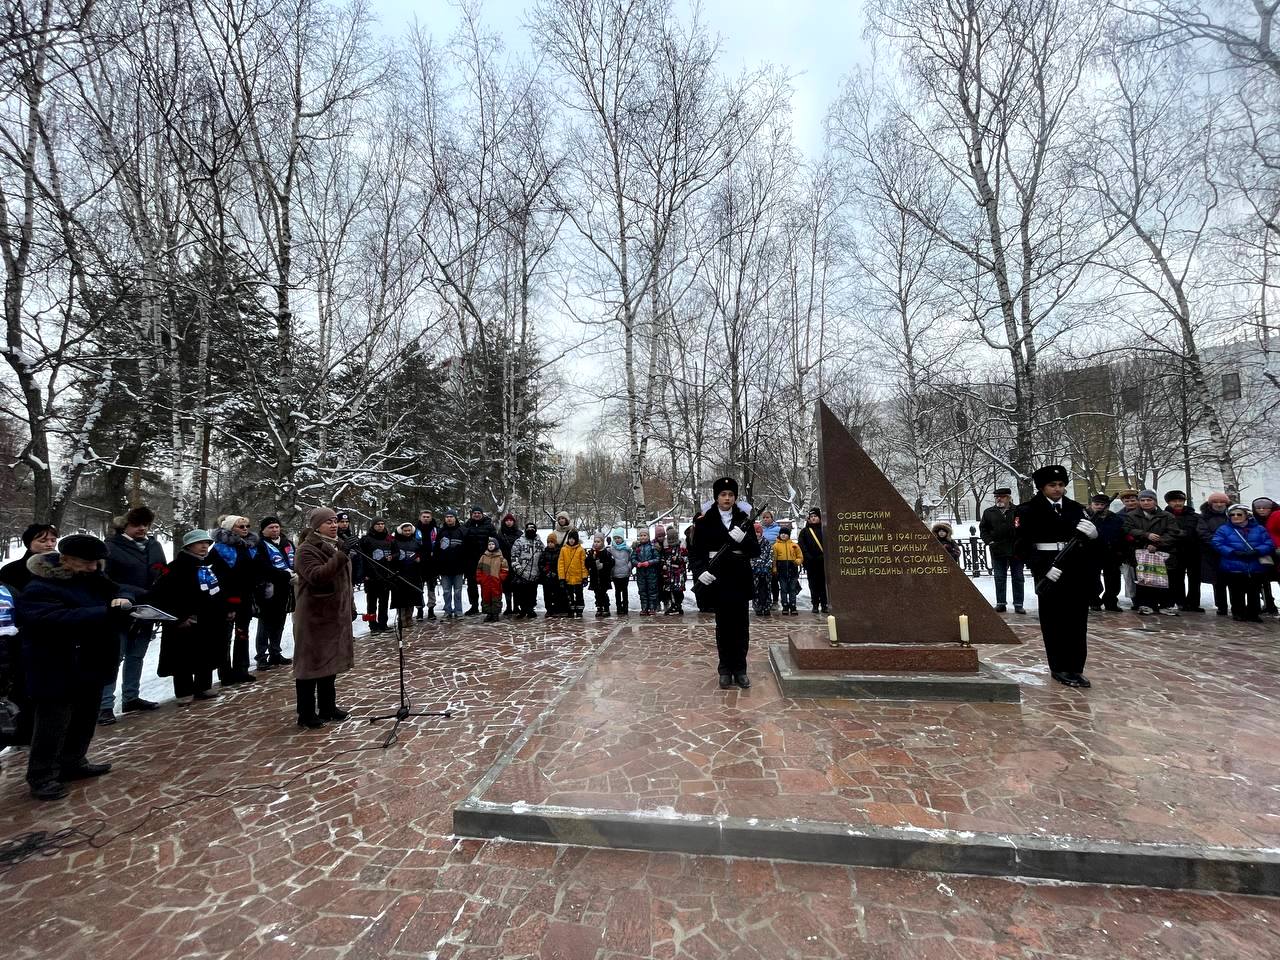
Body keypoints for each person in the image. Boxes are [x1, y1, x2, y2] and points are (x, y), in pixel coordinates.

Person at [16, 535, 133, 800]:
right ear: (65, 559)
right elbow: (49, 619)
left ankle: (74, 762)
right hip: (55, 664)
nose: (93, 567)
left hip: (90, 662)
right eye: (86, 563)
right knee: (53, 722)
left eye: (96, 562)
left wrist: (123, 599)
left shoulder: (94, 578)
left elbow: (121, 589)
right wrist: (104, 612)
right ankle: (41, 775)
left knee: (85, 716)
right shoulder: (41, 586)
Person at [1014, 465, 1099, 688]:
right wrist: (1041, 568)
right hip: (1049, 571)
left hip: (1075, 570)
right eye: (1052, 485)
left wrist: (1094, 536)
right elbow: (1022, 546)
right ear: (1042, 487)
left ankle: (1076, 668)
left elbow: (1088, 544)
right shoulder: (1028, 510)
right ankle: (1059, 667)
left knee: (1078, 622)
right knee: (1054, 622)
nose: (1058, 489)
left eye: (1061, 485)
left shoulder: (1075, 508)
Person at [100, 505, 168, 722]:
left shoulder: (154, 545)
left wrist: (161, 589)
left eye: (145, 525)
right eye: (137, 524)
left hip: (148, 608)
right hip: (120, 608)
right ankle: (104, 705)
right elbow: (104, 577)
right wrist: (133, 592)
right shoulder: (110, 546)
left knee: (136, 655)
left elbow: (162, 570)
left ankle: (131, 697)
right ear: (125, 525)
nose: (142, 529)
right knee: (113, 657)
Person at [694, 477, 761, 688]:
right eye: (723, 494)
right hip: (718, 579)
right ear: (716, 497)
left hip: (739, 578)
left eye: (731, 494)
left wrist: (744, 539)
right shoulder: (704, 521)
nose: (727, 498)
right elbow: (696, 552)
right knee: (723, 627)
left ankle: (740, 669)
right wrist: (700, 571)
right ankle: (724, 669)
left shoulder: (744, 519)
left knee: (741, 627)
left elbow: (755, 552)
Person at [292, 508, 354, 729]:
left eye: (335, 521)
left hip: (334, 615)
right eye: (328, 522)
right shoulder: (306, 549)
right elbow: (317, 576)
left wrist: (351, 606)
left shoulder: (336, 545)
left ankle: (327, 707)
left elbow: (345, 580)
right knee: (310, 665)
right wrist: (340, 555)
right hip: (314, 616)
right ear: (316, 526)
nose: (334, 525)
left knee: (330, 662)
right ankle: (306, 713)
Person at [150, 530, 227, 701]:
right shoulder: (176, 567)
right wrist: (181, 616)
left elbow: (217, 591)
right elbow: (164, 595)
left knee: (206, 652)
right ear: (189, 546)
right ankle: (184, 691)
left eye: (207, 543)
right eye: (199, 543)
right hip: (185, 620)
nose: (204, 546)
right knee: (183, 657)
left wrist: (223, 608)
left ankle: (204, 686)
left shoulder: (208, 566)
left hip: (208, 618)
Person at [0, 523, 59, 747]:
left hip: (56, 633)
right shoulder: (12, 570)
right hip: (24, 635)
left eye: (52, 540)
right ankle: (23, 734)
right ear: (29, 543)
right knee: (24, 686)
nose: (49, 544)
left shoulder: (61, 566)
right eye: (42, 540)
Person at [210, 515, 261, 686]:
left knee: (242, 632)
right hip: (226, 596)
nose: (245, 529)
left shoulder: (251, 547)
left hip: (246, 595)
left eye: (247, 526)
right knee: (225, 636)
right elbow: (217, 574)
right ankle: (225, 672)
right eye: (240, 526)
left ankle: (242, 668)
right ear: (230, 528)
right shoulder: (219, 548)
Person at [1212, 504, 1276, 622]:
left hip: (1255, 566)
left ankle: (1253, 613)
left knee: (1254, 591)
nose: (1235, 517)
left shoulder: (1259, 529)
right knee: (1236, 592)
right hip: (1233, 565)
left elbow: (1269, 543)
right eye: (1232, 515)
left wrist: (1257, 551)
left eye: (1239, 514)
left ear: (1247, 515)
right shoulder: (1224, 529)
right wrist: (1233, 552)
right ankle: (1238, 612)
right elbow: (1217, 543)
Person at [1122, 490, 1179, 616]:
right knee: (1144, 579)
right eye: (1142, 500)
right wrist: (1146, 535)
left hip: (1163, 552)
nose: (1146, 502)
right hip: (1141, 552)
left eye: (1149, 500)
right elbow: (1128, 530)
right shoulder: (1131, 516)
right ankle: (1146, 604)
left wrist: (1158, 543)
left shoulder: (1167, 516)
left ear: (1155, 501)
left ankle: (1166, 604)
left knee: (1164, 579)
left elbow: (1173, 533)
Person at [254, 516, 296, 668]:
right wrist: (286, 575)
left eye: (277, 527)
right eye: (271, 527)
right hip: (268, 589)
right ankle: (261, 657)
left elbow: (295, 561)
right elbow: (262, 567)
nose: (275, 530)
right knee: (265, 624)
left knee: (280, 622)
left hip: (286, 589)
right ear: (263, 530)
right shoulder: (259, 545)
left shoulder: (288, 543)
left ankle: (275, 653)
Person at [980, 487, 1024, 614]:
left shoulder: (1018, 511)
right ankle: (1001, 603)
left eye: (1003, 496)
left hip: (1016, 550)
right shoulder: (989, 512)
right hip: (998, 550)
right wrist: (990, 541)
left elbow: (1024, 529)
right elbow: (983, 529)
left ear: (1009, 498)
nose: (999, 498)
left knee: (1018, 577)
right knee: (999, 577)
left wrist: (1021, 543)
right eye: (997, 496)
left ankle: (1018, 604)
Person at [1163, 491, 1203, 613]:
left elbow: (1200, 532)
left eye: (1180, 501)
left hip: (1193, 551)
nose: (1178, 503)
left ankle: (1193, 603)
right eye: (1174, 501)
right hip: (1174, 551)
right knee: (1176, 578)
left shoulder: (1194, 516)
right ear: (1169, 503)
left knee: (1195, 579)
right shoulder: (1164, 516)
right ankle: (1180, 602)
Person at [1084, 494, 1124, 612]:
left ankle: (1111, 602)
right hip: (1091, 553)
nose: (1100, 507)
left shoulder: (1115, 518)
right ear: (1091, 504)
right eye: (1097, 504)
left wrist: (1120, 551)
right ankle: (1094, 600)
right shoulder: (1086, 518)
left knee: (1113, 579)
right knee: (1092, 579)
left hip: (1111, 553)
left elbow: (1121, 534)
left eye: (1103, 505)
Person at [1197, 493, 1233, 616]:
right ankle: (1221, 606)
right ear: (1210, 504)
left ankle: (1237, 606)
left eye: (1221, 502)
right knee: (1218, 582)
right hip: (1213, 553)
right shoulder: (1204, 517)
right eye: (1215, 502)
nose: (1218, 504)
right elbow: (1203, 533)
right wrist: (1219, 544)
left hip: (1233, 552)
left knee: (1234, 582)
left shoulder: (1233, 515)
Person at [358, 518, 395, 632]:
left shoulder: (389, 538)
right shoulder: (366, 540)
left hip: (385, 575)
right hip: (371, 576)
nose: (380, 526)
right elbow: (361, 558)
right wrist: (364, 574)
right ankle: (372, 625)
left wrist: (392, 557)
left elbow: (396, 551)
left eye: (382, 524)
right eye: (378, 524)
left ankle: (383, 624)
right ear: (373, 526)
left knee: (384, 602)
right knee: (371, 604)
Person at [434, 509, 468, 619]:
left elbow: (467, 549)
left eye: (451, 517)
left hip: (458, 567)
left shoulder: (462, 531)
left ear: (455, 518)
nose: (449, 518)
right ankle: (447, 610)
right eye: (447, 517)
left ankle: (458, 610)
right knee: (446, 592)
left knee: (458, 592)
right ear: (445, 518)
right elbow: (436, 550)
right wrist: (438, 566)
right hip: (444, 568)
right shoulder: (441, 532)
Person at [390, 522, 424, 628]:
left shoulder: (416, 542)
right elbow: (393, 556)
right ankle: (401, 619)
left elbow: (421, 554)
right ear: (401, 531)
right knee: (401, 598)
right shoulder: (395, 542)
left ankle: (409, 618)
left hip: (413, 574)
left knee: (411, 598)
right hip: (399, 574)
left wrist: (419, 559)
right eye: (405, 531)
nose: (407, 532)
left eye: (409, 530)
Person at [509, 522, 544, 618]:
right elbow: (514, 556)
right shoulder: (519, 541)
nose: (530, 531)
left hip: (534, 573)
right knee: (521, 593)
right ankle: (523, 609)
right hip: (522, 573)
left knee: (532, 593)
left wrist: (541, 570)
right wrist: (518, 569)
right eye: (528, 529)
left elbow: (543, 557)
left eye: (533, 529)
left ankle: (530, 609)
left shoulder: (539, 543)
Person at [1251, 498, 1279, 615]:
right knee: (1263, 580)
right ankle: (1268, 603)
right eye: (1258, 508)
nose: (1262, 510)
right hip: (1262, 553)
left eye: (1265, 508)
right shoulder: (1253, 520)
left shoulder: (1276, 516)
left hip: (1277, 551)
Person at [798, 508, 827, 613]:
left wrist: (824, 556)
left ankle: (824, 604)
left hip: (823, 562)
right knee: (813, 584)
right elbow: (801, 545)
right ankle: (815, 604)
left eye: (815, 516)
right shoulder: (804, 531)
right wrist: (807, 557)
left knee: (824, 584)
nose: (813, 518)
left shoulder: (824, 529)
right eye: (811, 517)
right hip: (811, 563)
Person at [1116, 489, 1141, 604]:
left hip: (1143, 548)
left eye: (1133, 500)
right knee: (1130, 577)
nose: (1130, 503)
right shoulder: (1119, 516)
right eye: (1127, 501)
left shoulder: (1145, 512)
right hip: (1127, 551)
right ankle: (1135, 599)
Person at [772, 526, 803, 614]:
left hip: (793, 571)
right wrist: (774, 568)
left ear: (789, 535)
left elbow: (800, 556)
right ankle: (785, 605)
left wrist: (797, 561)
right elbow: (774, 559)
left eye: (785, 534)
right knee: (784, 589)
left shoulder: (794, 545)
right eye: (781, 533)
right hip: (781, 571)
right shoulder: (776, 546)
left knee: (792, 589)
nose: (783, 535)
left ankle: (793, 605)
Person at [476, 536, 508, 622]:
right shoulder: (483, 557)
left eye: (492, 544)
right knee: (486, 598)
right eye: (489, 544)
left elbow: (505, 569)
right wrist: (480, 579)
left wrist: (500, 577)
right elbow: (479, 569)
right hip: (485, 582)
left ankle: (495, 614)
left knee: (496, 598)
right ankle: (488, 613)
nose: (490, 546)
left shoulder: (500, 558)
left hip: (496, 582)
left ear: (496, 545)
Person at [415, 509, 438, 620]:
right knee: (418, 588)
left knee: (431, 588)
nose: (426, 518)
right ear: (420, 517)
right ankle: (419, 609)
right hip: (419, 564)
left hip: (432, 563)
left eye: (428, 517)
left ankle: (431, 609)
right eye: (424, 516)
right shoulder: (415, 530)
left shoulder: (436, 530)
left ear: (431, 517)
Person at [557, 531, 586, 618]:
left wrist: (584, 577)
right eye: (570, 539)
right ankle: (571, 609)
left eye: (573, 539)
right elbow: (561, 564)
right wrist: (561, 578)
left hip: (578, 577)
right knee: (569, 596)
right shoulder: (563, 549)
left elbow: (583, 564)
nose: (572, 541)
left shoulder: (580, 550)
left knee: (579, 595)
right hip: (568, 577)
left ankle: (579, 610)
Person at [496, 514, 521, 615]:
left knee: (516, 586)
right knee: (506, 586)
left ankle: (516, 606)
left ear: (514, 522)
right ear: (504, 522)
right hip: (504, 563)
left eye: (511, 520)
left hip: (517, 563)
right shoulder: (500, 534)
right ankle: (508, 606)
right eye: (507, 520)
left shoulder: (519, 534)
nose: (509, 522)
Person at [585, 533, 616, 616]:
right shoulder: (591, 553)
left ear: (602, 542)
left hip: (604, 577)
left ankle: (606, 607)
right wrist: (592, 561)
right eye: (595, 541)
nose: (596, 543)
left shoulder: (606, 552)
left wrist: (603, 565)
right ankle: (599, 607)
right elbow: (587, 563)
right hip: (595, 577)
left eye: (598, 542)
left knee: (603, 593)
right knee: (597, 594)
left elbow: (611, 562)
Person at [632, 529, 661, 615]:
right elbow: (633, 558)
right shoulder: (637, 547)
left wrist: (649, 562)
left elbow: (657, 558)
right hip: (641, 573)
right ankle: (644, 607)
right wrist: (637, 563)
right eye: (641, 536)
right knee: (642, 590)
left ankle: (652, 607)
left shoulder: (652, 547)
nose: (643, 537)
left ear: (648, 537)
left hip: (651, 572)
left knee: (652, 590)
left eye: (645, 535)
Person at [757, 510, 782, 608]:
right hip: (761, 558)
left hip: (774, 558)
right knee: (762, 580)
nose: (765, 519)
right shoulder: (759, 529)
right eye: (763, 517)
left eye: (767, 517)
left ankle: (775, 601)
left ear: (772, 518)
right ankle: (764, 600)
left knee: (774, 580)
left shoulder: (778, 529)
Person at [661, 525, 687, 616]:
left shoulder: (681, 547)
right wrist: (663, 564)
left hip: (678, 574)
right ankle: (674, 605)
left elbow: (686, 558)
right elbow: (663, 558)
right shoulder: (666, 547)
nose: (671, 540)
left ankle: (678, 605)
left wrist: (678, 559)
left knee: (678, 591)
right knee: (670, 591)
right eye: (669, 538)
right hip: (668, 573)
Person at [607, 530, 632, 616]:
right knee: (617, 591)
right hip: (615, 573)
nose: (617, 540)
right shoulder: (611, 549)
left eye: (619, 538)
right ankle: (618, 607)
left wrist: (629, 567)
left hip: (625, 573)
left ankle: (625, 607)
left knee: (625, 591)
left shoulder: (627, 549)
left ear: (622, 538)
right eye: (615, 538)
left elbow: (630, 559)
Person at [751, 521, 773, 617]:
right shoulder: (750, 543)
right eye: (754, 532)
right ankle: (757, 607)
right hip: (755, 570)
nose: (756, 534)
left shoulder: (766, 542)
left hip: (766, 570)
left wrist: (767, 565)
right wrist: (754, 565)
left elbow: (770, 555)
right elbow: (749, 556)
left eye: (758, 532)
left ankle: (767, 607)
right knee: (756, 589)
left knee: (767, 589)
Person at [540, 532, 565, 617]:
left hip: (556, 577)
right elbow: (541, 563)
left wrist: (555, 572)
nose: (550, 544)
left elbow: (561, 563)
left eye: (552, 542)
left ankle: (556, 609)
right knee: (547, 595)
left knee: (557, 594)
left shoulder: (559, 552)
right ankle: (549, 609)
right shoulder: (544, 552)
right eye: (548, 542)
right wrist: (545, 571)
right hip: (546, 577)